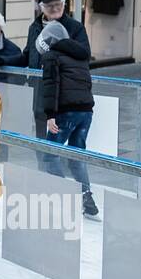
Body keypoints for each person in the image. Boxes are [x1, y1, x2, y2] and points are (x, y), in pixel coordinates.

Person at [36, 20, 99, 218]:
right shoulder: (79, 56)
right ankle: (86, 196)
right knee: (76, 156)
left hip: (65, 113)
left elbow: (51, 85)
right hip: (86, 112)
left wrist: (50, 114)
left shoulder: (52, 56)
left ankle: (65, 197)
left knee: (50, 154)